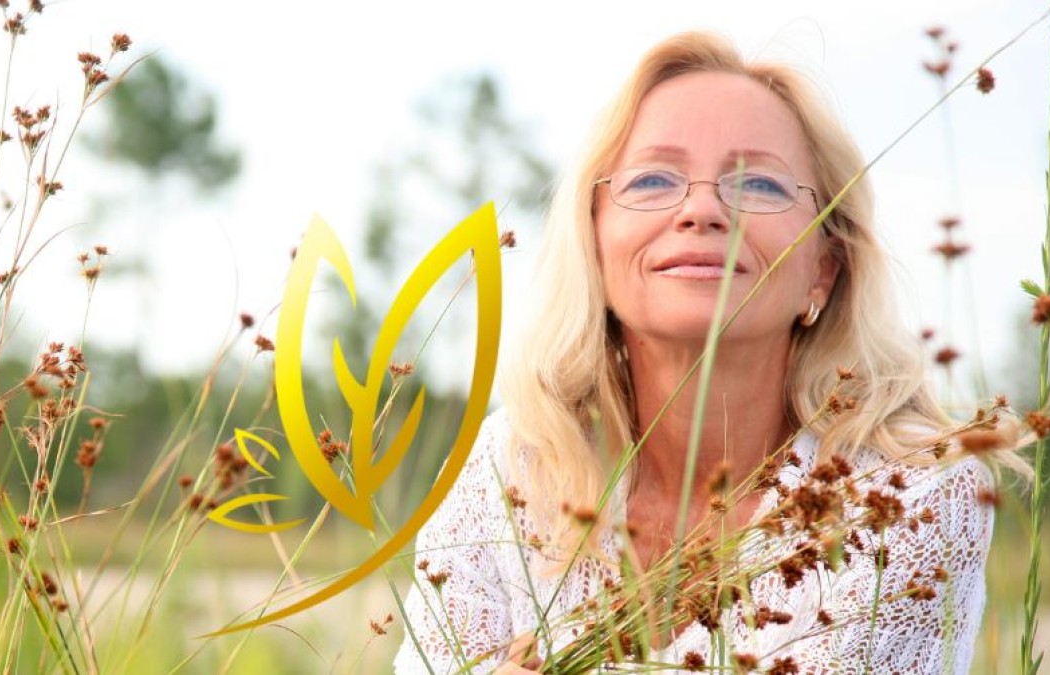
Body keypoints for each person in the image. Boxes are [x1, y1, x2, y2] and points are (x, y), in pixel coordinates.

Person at [393, 31, 1015, 674]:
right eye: (654, 178)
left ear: (824, 270)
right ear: (595, 244)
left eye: (761, 185)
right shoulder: (513, 471)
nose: (702, 209)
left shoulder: (908, 496)